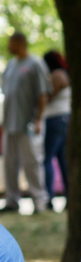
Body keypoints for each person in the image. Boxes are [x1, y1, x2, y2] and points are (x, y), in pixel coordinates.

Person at [2, 32, 51, 213]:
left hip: (28, 123)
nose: (8, 46)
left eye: (11, 43)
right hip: (9, 124)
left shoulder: (35, 64)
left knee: (32, 163)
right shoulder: (10, 65)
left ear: (20, 43)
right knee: (9, 164)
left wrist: (38, 120)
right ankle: (11, 201)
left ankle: (39, 201)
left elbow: (42, 94)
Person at [41, 51, 71, 204]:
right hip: (64, 119)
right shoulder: (64, 73)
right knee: (62, 159)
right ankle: (68, 196)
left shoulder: (57, 75)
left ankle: (48, 197)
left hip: (55, 120)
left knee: (47, 159)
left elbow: (48, 97)